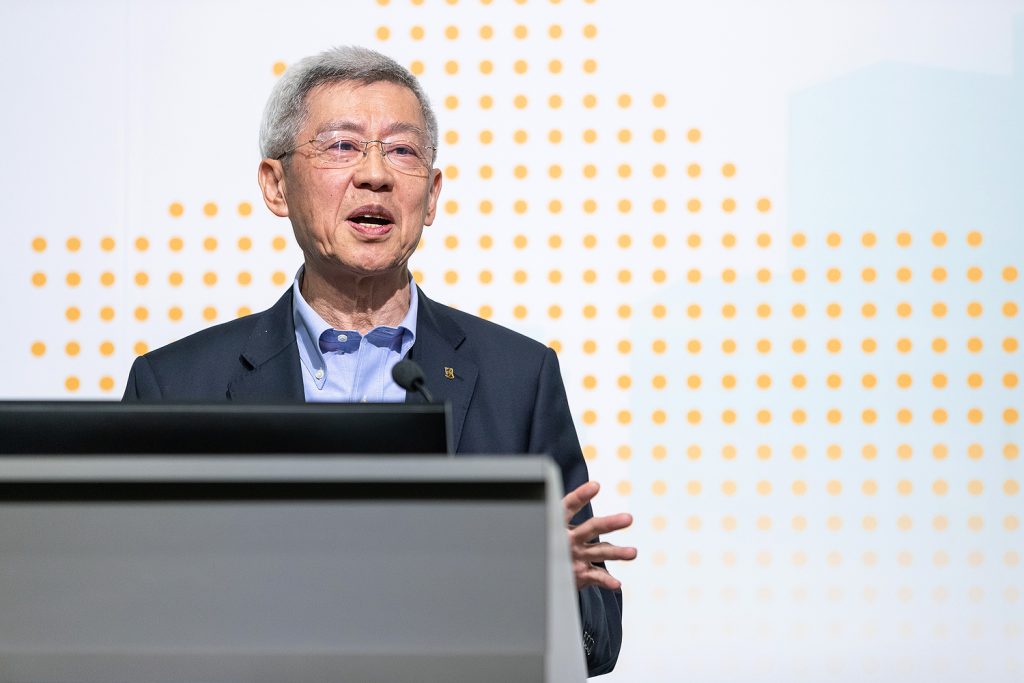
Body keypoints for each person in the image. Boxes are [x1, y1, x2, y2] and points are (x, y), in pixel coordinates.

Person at [122, 45, 636, 676]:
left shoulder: (517, 378)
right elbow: (125, 614)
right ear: (276, 185)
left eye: (402, 151)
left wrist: (534, 585)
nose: (375, 175)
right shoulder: (177, 386)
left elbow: (597, 639)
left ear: (433, 194)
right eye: (342, 146)